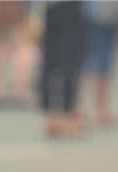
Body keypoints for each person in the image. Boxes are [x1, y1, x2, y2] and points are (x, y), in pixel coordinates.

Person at [39, 0, 85, 137]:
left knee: (49, 62)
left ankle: (47, 116)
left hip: (47, 7)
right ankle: (68, 117)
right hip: (67, 7)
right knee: (68, 61)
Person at [80, 1, 118, 127]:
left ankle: (83, 107)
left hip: (98, 11)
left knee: (91, 58)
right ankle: (98, 109)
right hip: (101, 12)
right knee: (101, 59)